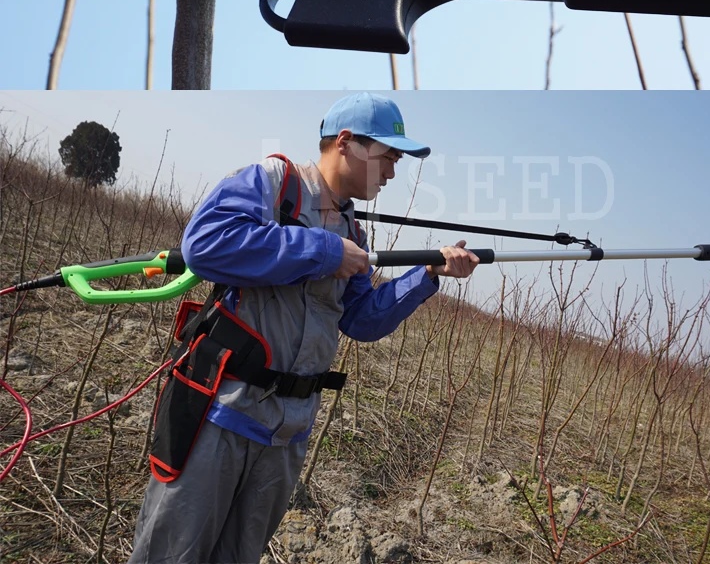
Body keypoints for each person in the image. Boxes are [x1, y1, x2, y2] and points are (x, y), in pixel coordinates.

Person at [128, 92, 480, 564]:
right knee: (172, 554)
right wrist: (323, 252)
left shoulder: (355, 233)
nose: (392, 173)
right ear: (346, 142)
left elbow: (361, 319)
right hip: (220, 416)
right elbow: (205, 244)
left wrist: (428, 275)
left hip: (285, 435)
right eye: (387, 158)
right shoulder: (273, 183)